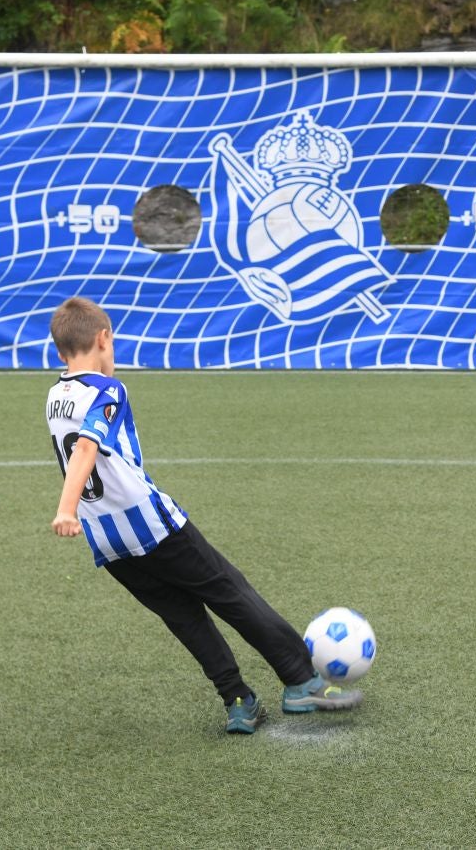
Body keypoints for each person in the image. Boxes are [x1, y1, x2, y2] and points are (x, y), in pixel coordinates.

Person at [44, 296, 362, 734]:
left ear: (61, 352)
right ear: (103, 338)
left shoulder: (53, 396)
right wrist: (64, 508)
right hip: (151, 525)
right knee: (230, 591)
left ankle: (239, 702)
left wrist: (73, 510)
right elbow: (86, 447)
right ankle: (301, 680)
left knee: (184, 617)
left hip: (108, 541)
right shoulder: (105, 389)